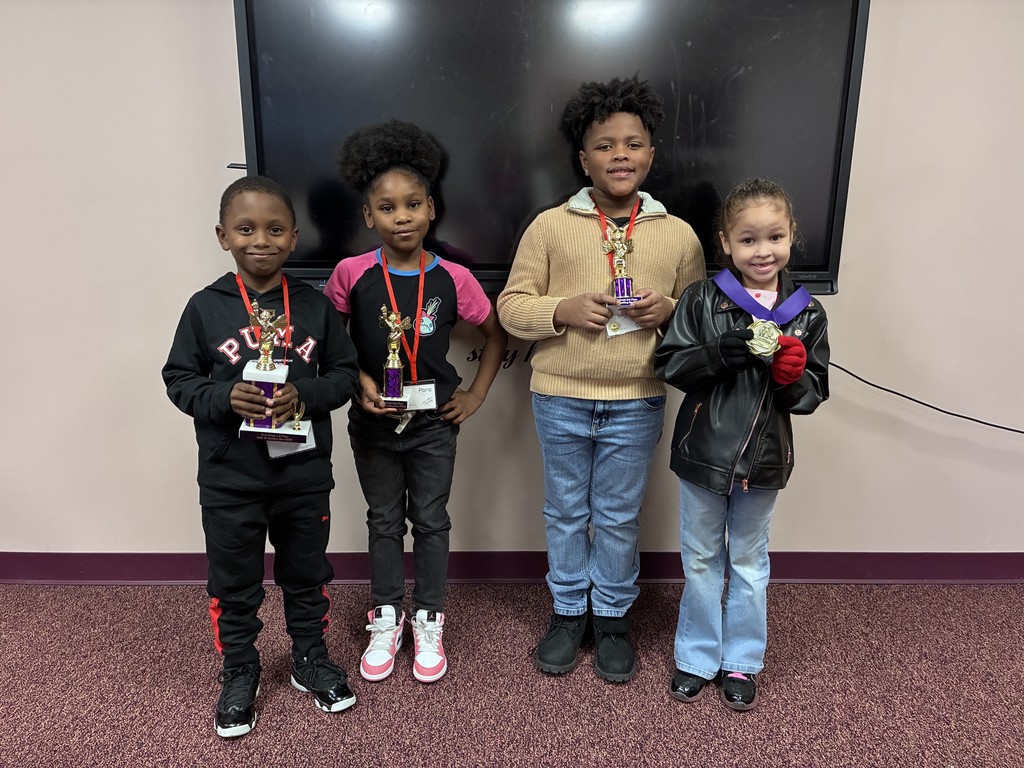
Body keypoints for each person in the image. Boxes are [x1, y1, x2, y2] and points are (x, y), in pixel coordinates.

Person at [496, 76, 706, 683]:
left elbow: (701, 318)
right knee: (564, 511)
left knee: (616, 515)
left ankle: (612, 617)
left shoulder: (678, 234)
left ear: (651, 154)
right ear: (582, 158)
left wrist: (668, 309)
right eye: (605, 145)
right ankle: (568, 613)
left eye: (633, 143)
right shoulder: (549, 226)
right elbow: (511, 306)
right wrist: (558, 311)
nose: (620, 155)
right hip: (560, 396)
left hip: (637, 399)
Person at [162, 176, 360, 737]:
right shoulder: (205, 307)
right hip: (230, 476)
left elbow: (344, 375)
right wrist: (222, 397)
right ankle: (241, 668)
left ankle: (309, 658)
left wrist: (309, 393)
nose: (261, 240)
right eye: (246, 229)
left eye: (275, 229)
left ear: (294, 237)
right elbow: (178, 380)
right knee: (234, 581)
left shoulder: (316, 307)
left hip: (301, 472)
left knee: (306, 573)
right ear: (223, 236)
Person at [324, 120, 507, 685]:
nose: (400, 216)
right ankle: (386, 617)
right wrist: (358, 381)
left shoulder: (455, 277)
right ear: (368, 216)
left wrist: (476, 394)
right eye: (386, 207)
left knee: (430, 520)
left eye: (412, 204)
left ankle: (428, 617)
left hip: (433, 424)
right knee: (383, 519)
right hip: (372, 421)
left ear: (431, 209)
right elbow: (331, 343)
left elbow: (496, 334)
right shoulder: (350, 274)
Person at [654, 177, 830, 710]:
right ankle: (697, 656)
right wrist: (718, 353)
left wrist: (792, 375)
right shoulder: (702, 300)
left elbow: (810, 395)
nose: (762, 250)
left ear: (791, 237)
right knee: (703, 558)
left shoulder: (807, 313)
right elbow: (669, 365)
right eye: (748, 239)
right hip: (703, 456)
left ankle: (742, 660)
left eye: (774, 237)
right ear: (725, 243)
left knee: (750, 561)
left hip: (764, 462)